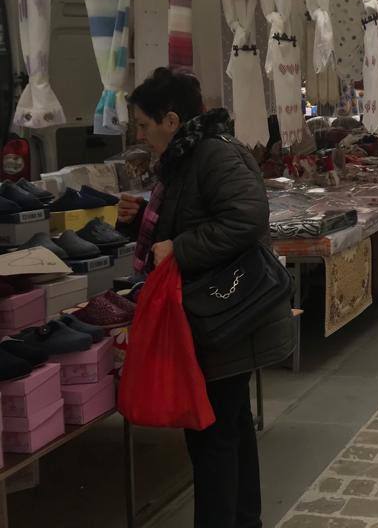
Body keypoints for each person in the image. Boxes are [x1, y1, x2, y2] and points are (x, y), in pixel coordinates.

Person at [117, 68, 294, 528]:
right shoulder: (185, 158)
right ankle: (244, 519)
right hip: (215, 312)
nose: (139, 134)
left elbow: (245, 220)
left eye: (142, 124)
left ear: (170, 119)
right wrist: (139, 225)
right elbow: (190, 222)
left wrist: (179, 247)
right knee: (228, 428)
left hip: (226, 315)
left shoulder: (213, 154)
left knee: (212, 433)